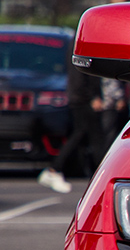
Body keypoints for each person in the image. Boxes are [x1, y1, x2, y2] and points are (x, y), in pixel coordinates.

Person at [38, 60, 104, 194]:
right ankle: (102, 176)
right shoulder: (84, 42)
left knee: (83, 134)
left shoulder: (77, 42)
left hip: (79, 96)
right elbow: (83, 71)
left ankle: (55, 168)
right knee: (93, 137)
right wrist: (93, 96)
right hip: (83, 98)